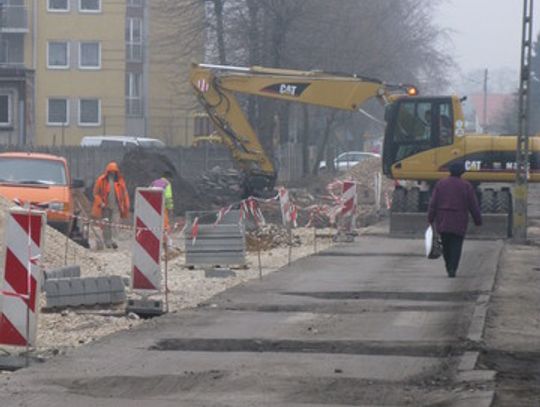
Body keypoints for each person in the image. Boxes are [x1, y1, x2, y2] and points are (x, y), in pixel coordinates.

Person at [427, 161, 482, 278]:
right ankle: (453, 268)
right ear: (462, 172)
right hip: (459, 220)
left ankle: (448, 266)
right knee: (457, 245)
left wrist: (430, 218)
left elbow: (433, 203)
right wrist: (478, 220)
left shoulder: (441, 184)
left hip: (443, 220)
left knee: (446, 245)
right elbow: (473, 205)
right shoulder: (466, 186)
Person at [91, 162, 130, 249]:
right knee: (106, 225)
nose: (112, 173)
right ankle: (107, 242)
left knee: (115, 225)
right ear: (107, 171)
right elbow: (95, 193)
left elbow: (124, 195)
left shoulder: (120, 182)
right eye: (111, 171)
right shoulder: (101, 180)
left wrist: (125, 206)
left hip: (116, 208)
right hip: (105, 208)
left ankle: (114, 241)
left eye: (114, 172)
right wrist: (101, 203)